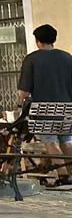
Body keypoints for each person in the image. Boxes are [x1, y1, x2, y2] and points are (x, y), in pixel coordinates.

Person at [17, 24, 72, 181]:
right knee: (67, 141)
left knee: (50, 142)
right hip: (68, 107)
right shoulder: (67, 57)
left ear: (37, 41)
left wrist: (21, 104)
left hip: (43, 108)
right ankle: (71, 172)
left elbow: (24, 91)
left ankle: (62, 175)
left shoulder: (31, 59)